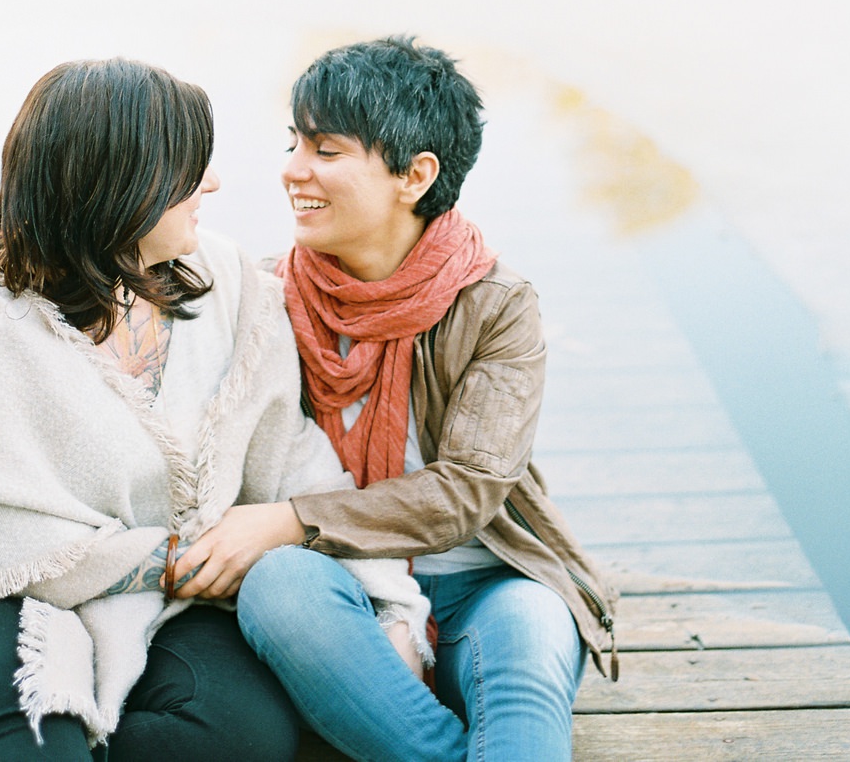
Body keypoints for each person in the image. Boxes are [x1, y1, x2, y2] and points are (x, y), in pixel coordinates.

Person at [0, 58, 431, 762]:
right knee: (39, 745)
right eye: (191, 168)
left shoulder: (226, 285)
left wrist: (391, 607)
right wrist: (171, 555)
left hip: (164, 603)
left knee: (247, 740)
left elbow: (288, 453)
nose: (215, 184)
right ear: (121, 185)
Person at [180, 37, 619, 762]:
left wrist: (292, 519)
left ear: (415, 175)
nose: (293, 170)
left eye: (326, 150)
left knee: (536, 641)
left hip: (485, 580)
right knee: (280, 583)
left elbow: (467, 492)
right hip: (340, 589)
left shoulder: (497, 307)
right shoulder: (263, 299)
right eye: (295, 143)